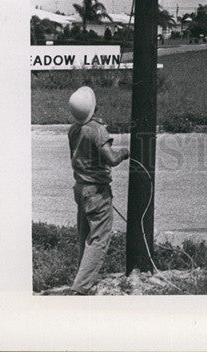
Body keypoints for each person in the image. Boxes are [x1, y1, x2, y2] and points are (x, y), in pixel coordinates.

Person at [66, 86, 129, 294]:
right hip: (96, 191)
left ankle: (81, 278)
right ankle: (81, 287)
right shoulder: (97, 129)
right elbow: (110, 157)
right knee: (99, 238)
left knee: (85, 235)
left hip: (80, 188)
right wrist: (124, 152)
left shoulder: (73, 130)